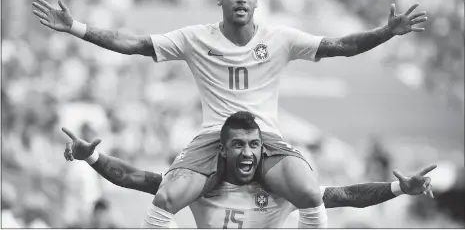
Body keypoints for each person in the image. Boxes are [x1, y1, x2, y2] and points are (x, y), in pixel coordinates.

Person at [32, 0, 428, 228]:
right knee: (167, 196)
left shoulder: (281, 39)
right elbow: (132, 42)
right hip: (214, 138)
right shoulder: (194, 38)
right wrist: (78, 27)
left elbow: (342, 44)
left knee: (310, 191)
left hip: (265, 139)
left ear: (257, 0)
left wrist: (385, 32)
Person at [62, 111, 435, 228]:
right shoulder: (198, 183)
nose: (247, 152)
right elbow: (132, 177)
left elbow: (345, 195)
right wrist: (91, 157)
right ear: (222, 150)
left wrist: (399, 188)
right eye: (238, 144)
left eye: (254, 145)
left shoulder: (281, 187)